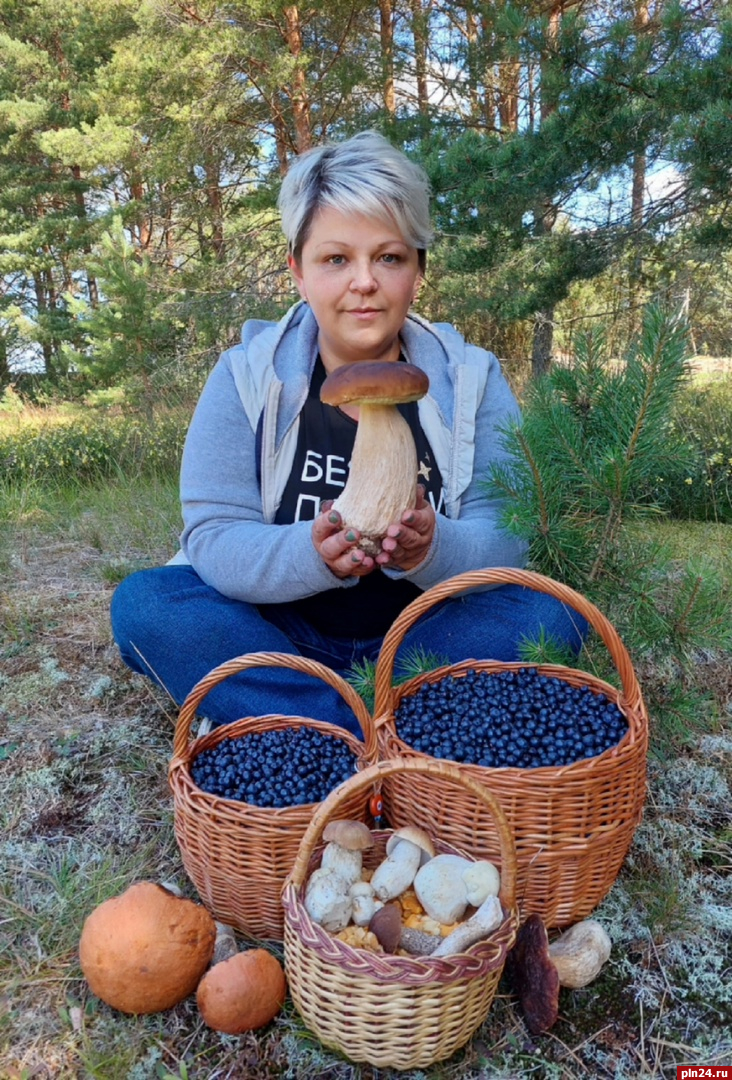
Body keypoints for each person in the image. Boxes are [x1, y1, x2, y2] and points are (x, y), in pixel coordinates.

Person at [111, 131, 587, 735]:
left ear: (417, 272)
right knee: (147, 606)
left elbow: (508, 536)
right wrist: (311, 555)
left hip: (424, 638)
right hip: (277, 634)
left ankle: (305, 726)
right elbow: (213, 535)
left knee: (551, 613)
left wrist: (432, 548)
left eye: (389, 257)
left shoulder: (471, 377)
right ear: (298, 272)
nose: (364, 281)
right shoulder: (246, 376)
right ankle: (383, 729)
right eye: (335, 259)